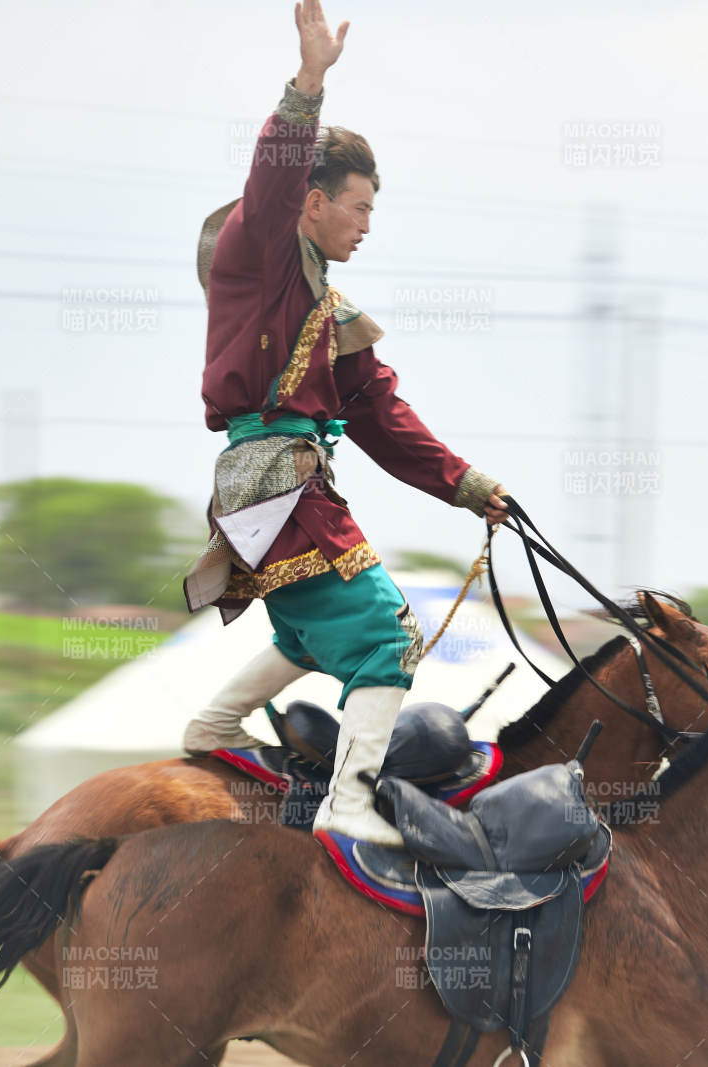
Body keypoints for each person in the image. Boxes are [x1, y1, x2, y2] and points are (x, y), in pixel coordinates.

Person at [181, 0, 508, 847]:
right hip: (278, 486)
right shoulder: (260, 251)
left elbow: (380, 413)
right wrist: (309, 80)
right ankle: (350, 802)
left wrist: (469, 487)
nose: (366, 226)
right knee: (387, 634)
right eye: (358, 209)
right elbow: (273, 182)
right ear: (314, 203)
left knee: (306, 631)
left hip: (280, 488)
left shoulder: (329, 310)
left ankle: (212, 727)